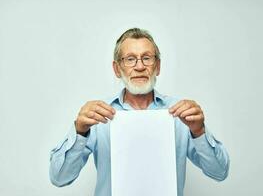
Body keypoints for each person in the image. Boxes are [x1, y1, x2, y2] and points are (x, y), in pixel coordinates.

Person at [49, 28, 230, 196]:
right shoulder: (98, 115)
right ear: (117, 69)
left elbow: (219, 172)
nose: (139, 66)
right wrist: (80, 131)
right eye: (130, 59)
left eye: (147, 58)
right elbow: (59, 178)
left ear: (157, 66)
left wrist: (199, 132)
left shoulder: (180, 113)